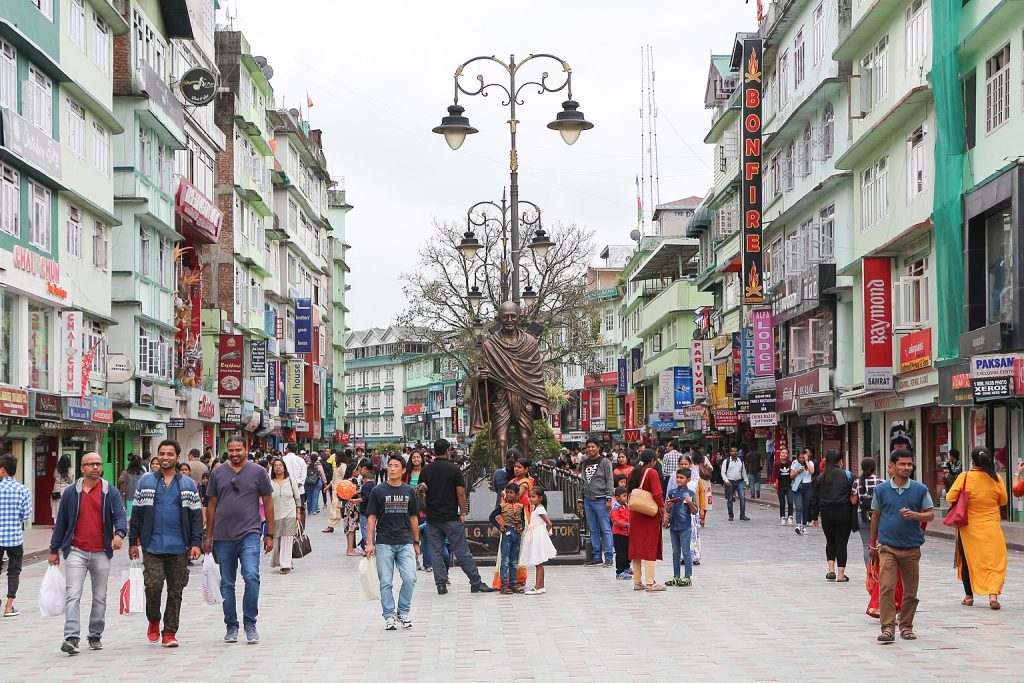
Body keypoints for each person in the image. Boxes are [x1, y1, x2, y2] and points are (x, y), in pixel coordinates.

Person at [49, 451, 127, 655]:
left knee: (99, 597)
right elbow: (61, 523)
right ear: (82, 468)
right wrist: (54, 550)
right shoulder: (70, 493)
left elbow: (120, 516)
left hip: (102, 552)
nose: (95, 467)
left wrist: (119, 534)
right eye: (91, 464)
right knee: (73, 594)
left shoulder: (110, 492)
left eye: (98, 464)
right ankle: (71, 637)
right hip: (76, 551)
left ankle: (95, 635)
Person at [127, 439, 203, 648]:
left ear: (177, 457)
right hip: (152, 544)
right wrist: (133, 542)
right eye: (162, 453)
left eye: (170, 454)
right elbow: (137, 513)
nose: (165, 457)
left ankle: (169, 632)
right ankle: (153, 619)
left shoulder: (187, 484)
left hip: (179, 545)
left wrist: (196, 542)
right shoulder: (146, 482)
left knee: (175, 590)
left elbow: (196, 516)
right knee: (153, 586)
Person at [202, 435, 275, 645]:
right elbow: (211, 505)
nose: (235, 454)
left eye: (238, 450)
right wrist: (208, 535)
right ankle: (231, 625)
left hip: (250, 533)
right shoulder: (217, 473)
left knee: (251, 576)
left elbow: (268, 502)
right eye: (231, 450)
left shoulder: (258, 472)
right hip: (222, 536)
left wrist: (270, 533)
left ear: (246, 450)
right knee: (227, 582)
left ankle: (250, 623)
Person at [868, 449, 935, 643]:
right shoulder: (881, 490)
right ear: (892, 466)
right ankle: (888, 628)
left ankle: (906, 626)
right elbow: (876, 517)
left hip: (912, 548)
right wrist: (872, 544)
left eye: (909, 464)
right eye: (902, 464)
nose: (907, 467)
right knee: (887, 588)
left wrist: (915, 515)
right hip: (887, 547)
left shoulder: (920, 489)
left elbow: (930, 514)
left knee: (910, 592)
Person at [416, 438, 494, 595]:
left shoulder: (425, 471)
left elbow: (421, 491)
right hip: (451, 517)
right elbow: (460, 493)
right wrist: (463, 512)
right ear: (447, 451)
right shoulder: (454, 469)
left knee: (436, 552)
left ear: (434, 451)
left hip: (432, 518)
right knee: (461, 551)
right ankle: (475, 582)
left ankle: (441, 584)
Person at [946, 446, 1007, 609]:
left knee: (967, 560)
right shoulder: (996, 478)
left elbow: (950, 497)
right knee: (994, 561)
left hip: (968, 528)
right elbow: (1003, 501)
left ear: (972, 461)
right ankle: (992, 595)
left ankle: (968, 597)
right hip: (992, 527)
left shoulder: (965, 477)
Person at [365, 454, 420, 630]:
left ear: (403, 470)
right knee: (386, 581)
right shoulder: (378, 491)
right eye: (390, 466)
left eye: (396, 466)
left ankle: (403, 612)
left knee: (410, 578)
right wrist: (369, 542)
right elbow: (371, 518)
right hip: (384, 542)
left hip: (405, 541)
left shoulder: (409, 491)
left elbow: (414, 518)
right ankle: (389, 615)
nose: (392, 469)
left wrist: (416, 542)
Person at [808, 450, 858, 582]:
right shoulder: (848, 475)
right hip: (844, 513)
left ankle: (831, 570)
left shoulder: (820, 478)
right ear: (841, 461)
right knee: (841, 543)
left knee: (830, 541)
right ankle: (841, 575)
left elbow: (814, 498)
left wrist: (814, 517)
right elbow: (854, 495)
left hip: (826, 513)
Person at [627, 449, 665, 592]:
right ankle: (650, 582)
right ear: (653, 461)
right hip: (649, 514)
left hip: (635, 513)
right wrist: (663, 509)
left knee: (636, 547)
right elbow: (657, 494)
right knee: (650, 546)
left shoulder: (633, 472)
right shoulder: (652, 472)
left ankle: (637, 582)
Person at [0, 454, 31, 617]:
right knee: (14, 571)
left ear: (2, 470)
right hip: (15, 538)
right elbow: (25, 515)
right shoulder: (23, 489)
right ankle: (9, 607)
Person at [577, 438, 614, 568]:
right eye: (588, 447)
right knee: (593, 530)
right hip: (588, 500)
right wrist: (580, 499)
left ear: (598, 448)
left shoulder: (605, 462)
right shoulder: (584, 463)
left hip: (601, 499)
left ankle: (609, 557)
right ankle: (597, 556)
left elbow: (609, 480)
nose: (590, 449)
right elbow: (582, 482)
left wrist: (609, 498)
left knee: (605, 529)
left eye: (593, 446)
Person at [268, 457, 302, 574]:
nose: (278, 467)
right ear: (273, 469)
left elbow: (297, 498)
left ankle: (285, 564)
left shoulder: (291, 481)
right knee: (277, 540)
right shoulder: (269, 483)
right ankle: (280, 561)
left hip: (290, 513)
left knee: (287, 539)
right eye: (275, 466)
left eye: (280, 465)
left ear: (284, 468)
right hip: (275, 515)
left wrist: (298, 513)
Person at [489, 484, 526, 594]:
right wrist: (499, 526)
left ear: (517, 495)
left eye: (511, 493)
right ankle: (504, 585)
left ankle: (513, 584)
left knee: (514, 561)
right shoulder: (502, 506)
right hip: (507, 533)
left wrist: (522, 527)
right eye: (507, 492)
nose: (509, 495)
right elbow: (491, 517)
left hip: (517, 534)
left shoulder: (520, 507)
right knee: (505, 561)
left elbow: (522, 519)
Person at [663, 468, 697, 587]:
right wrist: (668, 506)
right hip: (673, 527)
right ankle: (676, 576)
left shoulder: (690, 494)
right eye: (677, 477)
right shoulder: (672, 492)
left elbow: (694, 511)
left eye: (681, 478)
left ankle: (687, 577)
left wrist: (690, 502)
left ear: (688, 480)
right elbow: (667, 510)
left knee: (686, 552)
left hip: (685, 527)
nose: (678, 479)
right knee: (675, 553)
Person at [520, 487, 557, 594]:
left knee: (538, 562)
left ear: (540, 498)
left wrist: (545, 533)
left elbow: (549, 524)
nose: (531, 499)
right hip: (535, 534)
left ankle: (537, 587)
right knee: (538, 563)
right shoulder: (535, 508)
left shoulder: (540, 509)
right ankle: (541, 586)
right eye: (530, 496)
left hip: (537, 536)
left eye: (533, 497)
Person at [855, 457, 884, 568]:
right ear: (874, 468)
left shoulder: (857, 482)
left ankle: (869, 569)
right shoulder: (881, 482)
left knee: (866, 544)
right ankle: (878, 568)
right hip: (879, 515)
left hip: (862, 515)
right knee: (879, 543)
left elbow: (853, 500)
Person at [720, 446, 749, 521]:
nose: (734, 453)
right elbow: (723, 472)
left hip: (739, 482)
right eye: (733, 451)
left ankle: (742, 515)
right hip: (730, 482)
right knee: (730, 499)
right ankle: (731, 515)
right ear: (730, 452)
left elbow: (743, 472)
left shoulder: (740, 461)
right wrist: (726, 481)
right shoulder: (726, 461)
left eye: (736, 451)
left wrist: (746, 481)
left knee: (742, 498)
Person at [324, 453, 350, 534]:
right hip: (335, 489)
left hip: (340, 489)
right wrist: (327, 487)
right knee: (335, 507)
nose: (335, 459)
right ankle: (331, 525)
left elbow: (345, 477)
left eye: (336, 457)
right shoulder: (338, 466)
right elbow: (334, 479)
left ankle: (331, 526)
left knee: (335, 507)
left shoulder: (343, 466)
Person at [791, 449, 815, 534]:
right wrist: (798, 472)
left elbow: (812, 471)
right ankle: (798, 525)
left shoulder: (810, 463)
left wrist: (806, 461)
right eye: (800, 457)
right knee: (799, 507)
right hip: (798, 487)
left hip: (807, 486)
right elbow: (791, 476)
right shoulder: (795, 463)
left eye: (803, 457)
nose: (801, 459)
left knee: (805, 508)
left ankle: (804, 527)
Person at [610, 486, 631, 580]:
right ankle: (619, 572)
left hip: (627, 533)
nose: (626, 498)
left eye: (627, 496)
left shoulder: (627, 507)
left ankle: (626, 567)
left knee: (627, 552)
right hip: (619, 534)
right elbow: (615, 521)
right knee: (621, 553)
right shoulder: (615, 509)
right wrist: (626, 525)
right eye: (624, 496)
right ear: (617, 498)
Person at [282, 444, 308, 512]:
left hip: (285, 489)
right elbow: (304, 475)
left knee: (286, 510)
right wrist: (297, 485)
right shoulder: (301, 460)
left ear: (288, 449)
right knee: (300, 510)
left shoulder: (282, 459)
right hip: (299, 490)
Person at [52, 455, 75, 522]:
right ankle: (65, 521)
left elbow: (54, 477)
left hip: (56, 490)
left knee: (56, 506)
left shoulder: (57, 470)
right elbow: (71, 481)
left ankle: (56, 522)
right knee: (67, 506)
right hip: (66, 490)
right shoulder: (71, 470)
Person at [775, 448, 794, 526]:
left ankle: (790, 517)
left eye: (785, 453)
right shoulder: (777, 464)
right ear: (780, 454)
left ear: (788, 455)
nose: (784, 454)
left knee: (790, 501)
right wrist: (774, 482)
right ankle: (782, 517)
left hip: (789, 486)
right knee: (782, 503)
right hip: (780, 486)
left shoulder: (791, 463)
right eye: (782, 453)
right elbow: (774, 474)